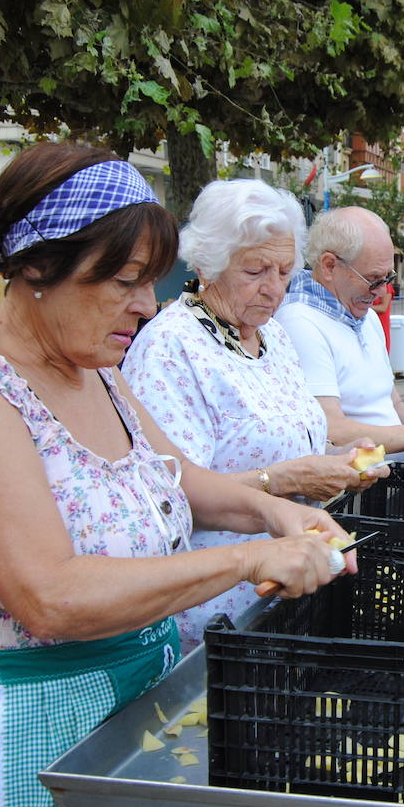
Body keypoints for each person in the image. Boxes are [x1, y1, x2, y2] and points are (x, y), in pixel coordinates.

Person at [0, 142, 350, 807]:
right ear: (38, 266)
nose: (146, 303)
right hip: (36, 730)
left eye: (151, 281)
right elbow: (50, 596)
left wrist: (273, 511)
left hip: (132, 710)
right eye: (125, 281)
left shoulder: (95, 368)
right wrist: (245, 561)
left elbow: (182, 480)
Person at [123, 178, 388, 649]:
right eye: (255, 270)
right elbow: (171, 496)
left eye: (285, 271)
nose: (274, 289)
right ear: (209, 264)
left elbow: (293, 439)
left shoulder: (273, 337)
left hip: (287, 595)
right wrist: (287, 481)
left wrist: (341, 458)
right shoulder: (170, 348)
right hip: (217, 616)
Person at [274, 206, 404, 454]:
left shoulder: (365, 318)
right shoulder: (300, 323)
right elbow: (329, 429)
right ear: (329, 266)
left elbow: (393, 407)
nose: (381, 292)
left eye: (387, 279)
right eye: (373, 279)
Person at [373, 272, 397, 351]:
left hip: (381, 323)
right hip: (372, 323)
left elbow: (383, 307)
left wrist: (366, 306)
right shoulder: (373, 285)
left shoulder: (387, 286)